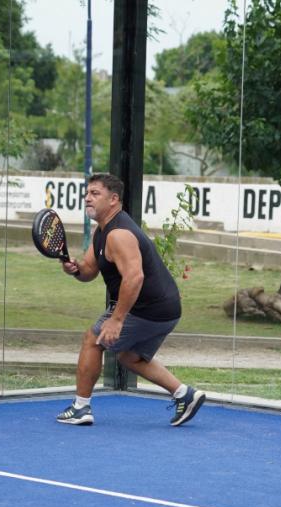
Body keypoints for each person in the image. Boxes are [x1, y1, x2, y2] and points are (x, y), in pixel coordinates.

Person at [55, 173, 205, 427]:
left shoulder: (119, 234)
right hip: (165, 308)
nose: (87, 198)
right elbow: (89, 271)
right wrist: (74, 268)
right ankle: (185, 394)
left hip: (149, 308)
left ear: (113, 200)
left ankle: (81, 408)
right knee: (129, 357)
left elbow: (134, 278)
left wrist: (116, 320)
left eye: (95, 193)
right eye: (87, 193)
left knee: (93, 340)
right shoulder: (102, 231)